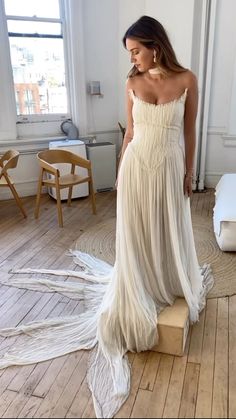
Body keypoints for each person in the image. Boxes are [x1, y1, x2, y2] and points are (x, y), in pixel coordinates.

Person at [0, 15, 213, 419]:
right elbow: (129, 134)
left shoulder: (187, 79)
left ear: (155, 44)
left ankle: (165, 278)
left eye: (135, 49)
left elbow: (189, 131)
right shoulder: (132, 83)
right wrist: (119, 173)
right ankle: (139, 283)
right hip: (136, 167)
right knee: (134, 232)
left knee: (166, 228)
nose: (131, 57)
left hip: (169, 166)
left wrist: (189, 172)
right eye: (129, 52)